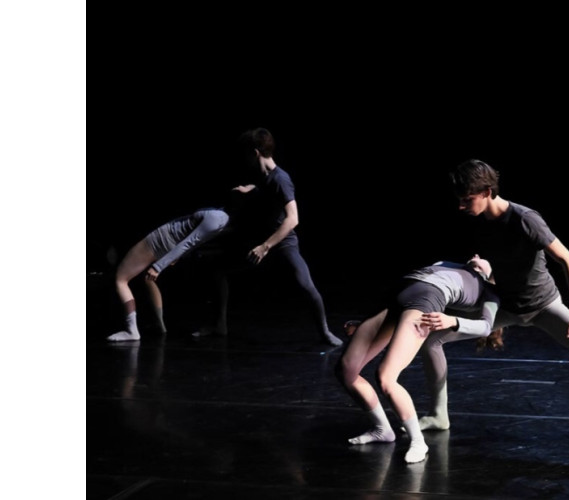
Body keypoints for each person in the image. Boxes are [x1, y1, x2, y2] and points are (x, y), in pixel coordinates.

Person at [418, 159, 569, 446]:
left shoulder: (525, 218)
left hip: (544, 306)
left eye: (467, 199)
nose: (461, 206)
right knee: (432, 339)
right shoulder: (479, 221)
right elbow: (503, 265)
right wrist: (485, 283)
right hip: (506, 306)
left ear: (488, 191)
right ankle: (438, 415)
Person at [335, 258, 500, 464]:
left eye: (484, 259)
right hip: (396, 299)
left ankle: (418, 442)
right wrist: (365, 323)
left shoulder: (488, 291)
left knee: (386, 377)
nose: (477, 255)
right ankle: (382, 429)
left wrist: (453, 321)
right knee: (346, 370)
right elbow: (407, 287)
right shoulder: (445, 263)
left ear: (490, 273)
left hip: (424, 304)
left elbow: (485, 327)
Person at [198, 128, 341, 346]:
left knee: (305, 284)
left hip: (282, 243)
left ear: (255, 153)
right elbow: (265, 189)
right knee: (217, 270)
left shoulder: (281, 179)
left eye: (246, 154)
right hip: (259, 240)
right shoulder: (261, 177)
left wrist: (265, 247)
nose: (244, 159)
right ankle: (220, 325)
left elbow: (293, 219)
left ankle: (324, 332)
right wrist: (251, 190)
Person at [107, 209, 229, 341]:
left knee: (121, 279)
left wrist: (159, 266)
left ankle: (132, 331)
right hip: (169, 241)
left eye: (245, 186)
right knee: (147, 278)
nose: (239, 186)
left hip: (162, 239)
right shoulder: (222, 219)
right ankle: (159, 325)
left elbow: (191, 241)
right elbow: (197, 239)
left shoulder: (218, 217)